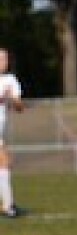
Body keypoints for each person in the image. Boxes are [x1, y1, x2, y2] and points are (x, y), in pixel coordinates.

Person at [0, 47, 23, 218]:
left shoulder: (10, 80)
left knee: (5, 164)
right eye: (0, 59)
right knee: (4, 162)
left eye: (5, 59)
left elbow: (20, 108)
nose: (3, 62)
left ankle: (8, 204)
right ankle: (8, 206)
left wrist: (12, 99)